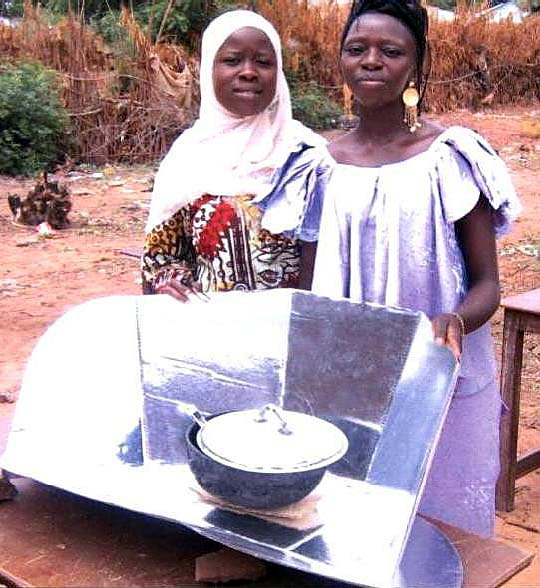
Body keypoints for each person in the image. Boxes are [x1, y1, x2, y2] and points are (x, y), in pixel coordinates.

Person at [311, 0, 521, 537]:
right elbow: (308, 289)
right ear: (340, 63)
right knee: (354, 526)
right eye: (357, 49)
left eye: (391, 51)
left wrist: (455, 319)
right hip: (349, 378)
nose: (371, 61)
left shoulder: (449, 157)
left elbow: (487, 284)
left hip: (437, 371)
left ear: (415, 67)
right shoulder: (319, 166)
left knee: (440, 532)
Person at [142, 9, 330, 302]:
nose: (248, 71)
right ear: (209, 70)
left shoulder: (307, 154)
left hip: (296, 333)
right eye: (232, 60)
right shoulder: (187, 157)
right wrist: (171, 281)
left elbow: (335, 256)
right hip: (213, 335)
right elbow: (160, 258)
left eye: (263, 62)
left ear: (278, 73)